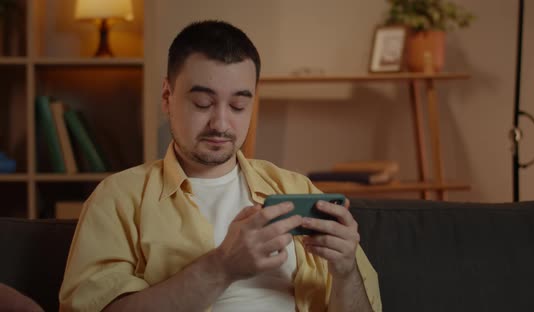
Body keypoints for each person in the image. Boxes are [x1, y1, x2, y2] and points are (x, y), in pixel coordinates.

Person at [59, 20, 381, 312]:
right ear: (167, 96)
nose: (221, 123)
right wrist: (223, 266)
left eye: (239, 106)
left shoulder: (296, 189)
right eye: (203, 103)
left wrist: (346, 271)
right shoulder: (119, 198)